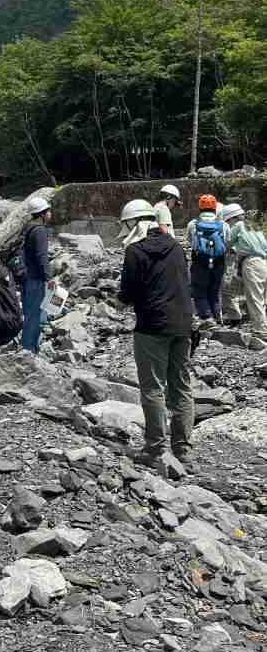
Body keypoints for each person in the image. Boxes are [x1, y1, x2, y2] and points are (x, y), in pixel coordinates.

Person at [118, 198, 195, 466]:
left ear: (133, 223)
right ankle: (183, 449)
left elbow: (127, 294)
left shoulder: (134, 251)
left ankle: (155, 447)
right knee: (181, 386)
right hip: (183, 324)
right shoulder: (175, 246)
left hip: (152, 326)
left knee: (153, 387)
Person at [223, 204, 267, 337]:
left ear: (231, 219)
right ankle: (263, 326)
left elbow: (227, 242)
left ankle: (261, 331)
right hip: (264, 261)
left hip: (251, 263)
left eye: (227, 222)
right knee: (264, 297)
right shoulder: (254, 225)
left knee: (254, 298)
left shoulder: (237, 226)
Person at [186, 194, 227, 329]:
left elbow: (189, 240)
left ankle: (207, 317)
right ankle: (217, 317)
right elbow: (227, 241)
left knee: (199, 290)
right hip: (219, 262)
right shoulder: (223, 225)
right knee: (214, 290)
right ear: (215, 208)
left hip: (200, 261)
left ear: (200, 207)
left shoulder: (193, 224)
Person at [21, 196, 52, 353]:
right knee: (35, 316)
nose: (50, 214)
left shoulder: (28, 227)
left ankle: (31, 347)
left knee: (30, 314)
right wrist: (49, 278)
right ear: (42, 214)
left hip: (26, 278)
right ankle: (28, 351)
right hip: (35, 279)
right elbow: (42, 256)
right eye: (48, 211)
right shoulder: (39, 230)